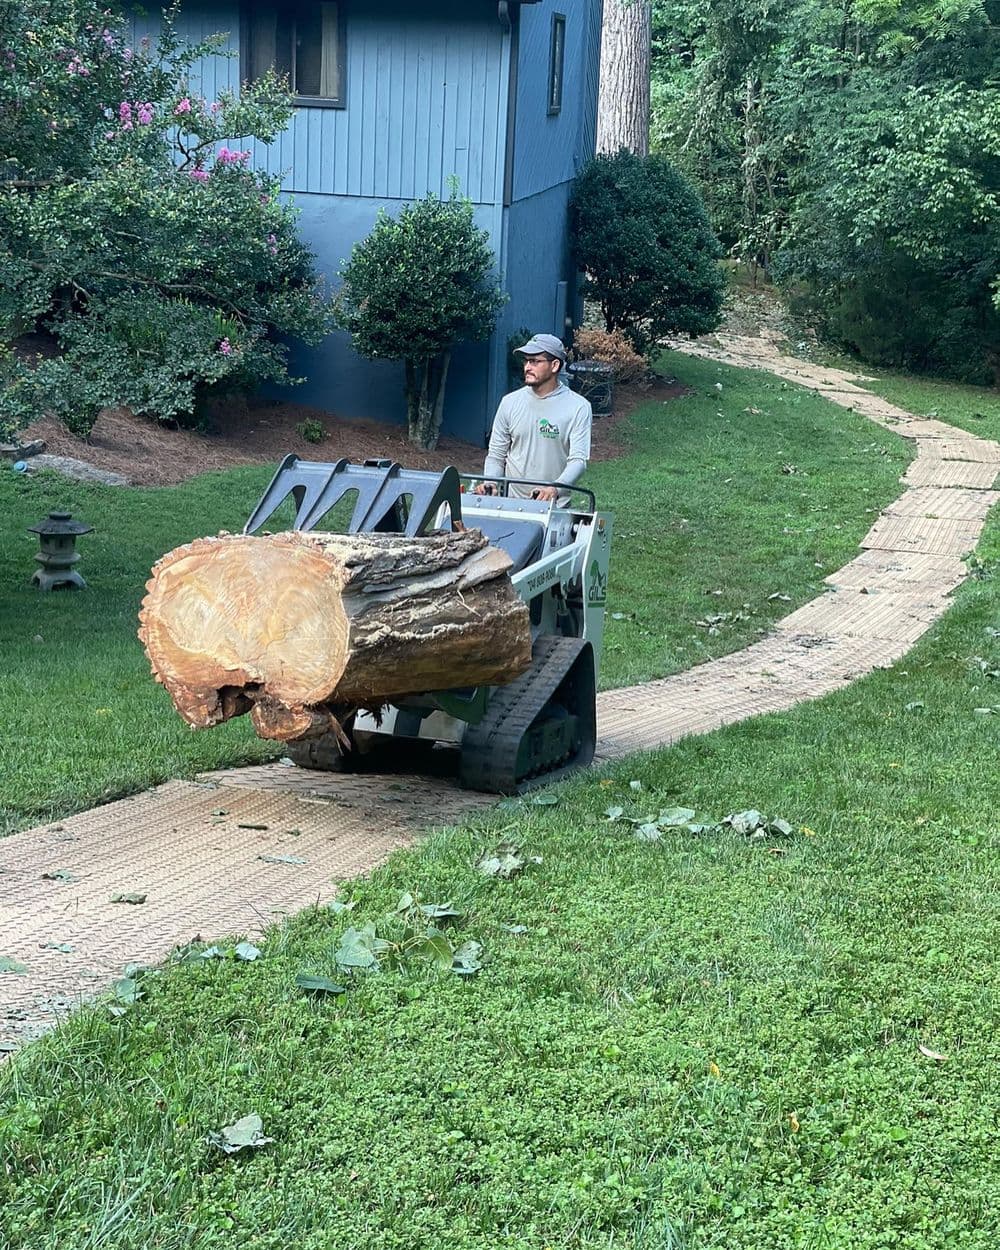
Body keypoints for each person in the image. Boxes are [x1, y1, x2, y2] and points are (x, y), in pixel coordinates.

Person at [475, 332, 592, 502]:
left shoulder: (578, 407)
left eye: (535, 361)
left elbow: (578, 461)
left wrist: (554, 489)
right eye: (526, 361)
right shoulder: (509, 402)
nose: (527, 367)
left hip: (554, 508)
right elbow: (496, 455)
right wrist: (491, 482)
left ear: (554, 365)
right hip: (510, 504)